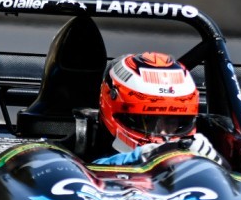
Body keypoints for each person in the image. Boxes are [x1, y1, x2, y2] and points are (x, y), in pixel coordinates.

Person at [91, 52, 224, 166]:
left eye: (172, 122)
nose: (163, 134)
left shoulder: (198, 155)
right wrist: (145, 155)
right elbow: (84, 171)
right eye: (149, 122)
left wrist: (215, 166)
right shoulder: (89, 165)